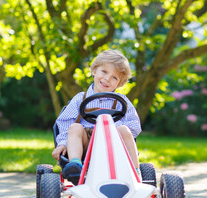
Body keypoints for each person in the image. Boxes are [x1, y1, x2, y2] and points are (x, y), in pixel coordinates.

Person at [51, 49, 141, 180]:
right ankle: (75, 165)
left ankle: (135, 171)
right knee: (75, 127)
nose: (107, 79)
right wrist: (62, 143)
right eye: (104, 72)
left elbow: (134, 125)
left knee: (124, 129)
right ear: (94, 71)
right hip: (86, 142)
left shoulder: (122, 102)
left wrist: (118, 130)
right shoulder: (81, 98)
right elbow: (64, 123)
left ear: (119, 83)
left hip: (113, 140)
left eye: (114, 77)